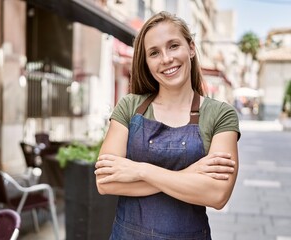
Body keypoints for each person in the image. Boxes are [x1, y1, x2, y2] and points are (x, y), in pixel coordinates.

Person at [94, 11, 240, 240]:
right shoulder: (130, 106)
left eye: (173, 46)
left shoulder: (220, 115)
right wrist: (189, 175)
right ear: (147, 62)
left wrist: (140, 170)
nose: (166, 59)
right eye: (154, 53)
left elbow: (217, 194)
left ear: (191, 48)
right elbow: (105, 182)